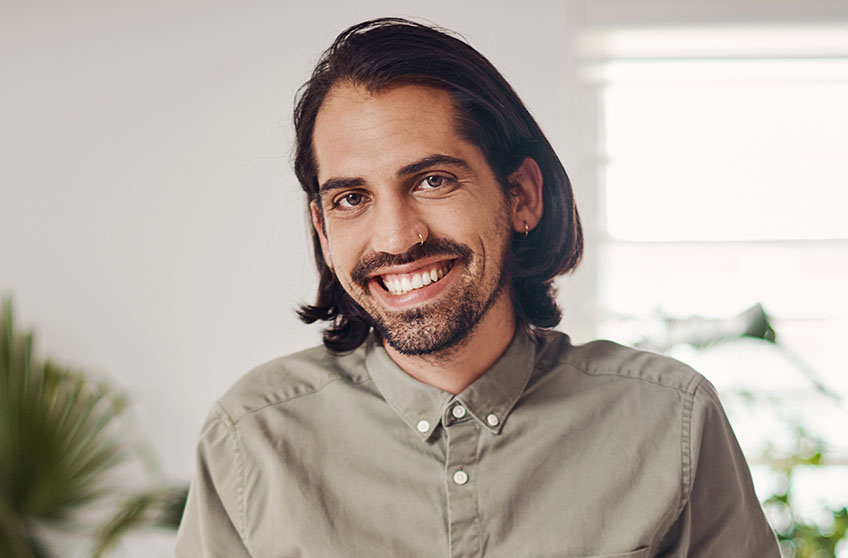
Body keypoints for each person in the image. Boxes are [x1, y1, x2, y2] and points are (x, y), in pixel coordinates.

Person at [174, 18, 779, 557]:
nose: (396, 236)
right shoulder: (252, 438)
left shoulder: (670, 420)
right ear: (323, 229)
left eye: (433, 180)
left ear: (521, 197)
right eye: (352, 198)